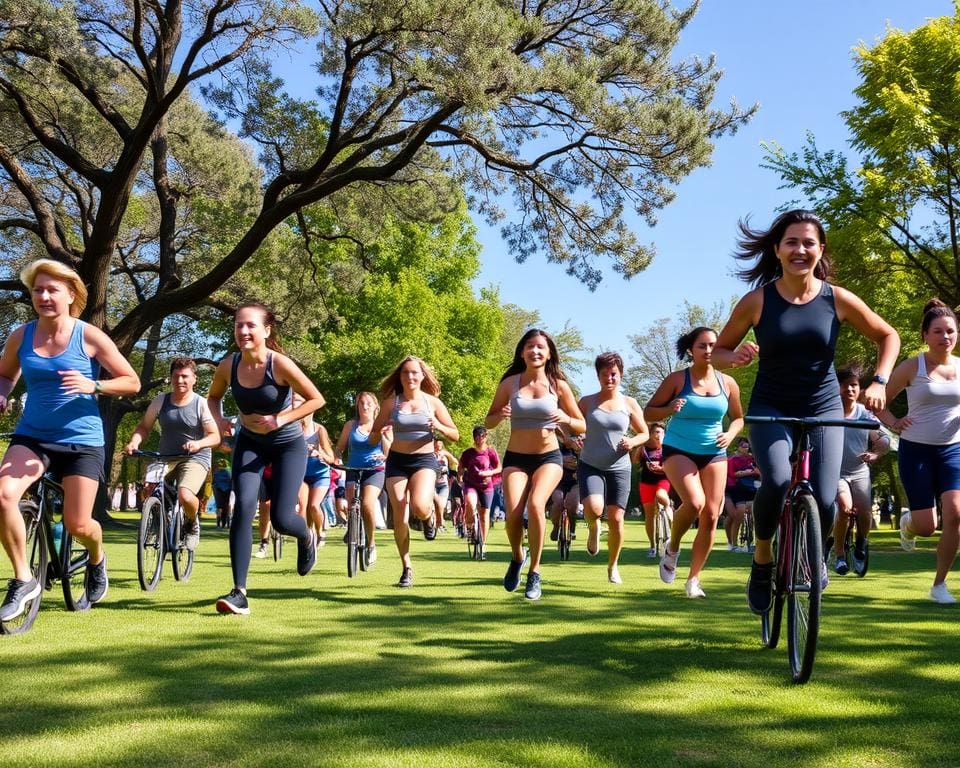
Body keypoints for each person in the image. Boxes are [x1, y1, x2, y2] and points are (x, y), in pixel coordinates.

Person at [713, 209, 899, 614]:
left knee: (829, 498)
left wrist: (881, 381)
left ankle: (816, 551)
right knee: (777, 481)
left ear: (821, 249)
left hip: (823, 405)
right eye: (791, 242)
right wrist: (736, 355)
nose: (800, 250)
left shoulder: (837, 299)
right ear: (778, 250)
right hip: (772, 406)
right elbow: (718, 354)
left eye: (808, 243)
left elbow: (888, 335)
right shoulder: (758, 300)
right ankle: (763, 558)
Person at [0, 259, 140, 621]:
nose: (44, 296)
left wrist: (95, 384)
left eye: (52, 290)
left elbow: (132, 381)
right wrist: (1, 393)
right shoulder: (22, 335)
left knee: (79, 525)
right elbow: (5, 375)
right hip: (33, 435)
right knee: (3, 496)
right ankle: (23, 578)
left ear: (71, 295)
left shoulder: (88, 336)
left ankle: (96, 558)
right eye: (37, 290)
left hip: (81, 440)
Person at [207, 302, 325, 615]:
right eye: (238, 326)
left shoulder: (280, 364)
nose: (243, 331)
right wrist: (219, 422)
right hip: (249, 443)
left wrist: (282, 419)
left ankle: (306, 536)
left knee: (282, 519)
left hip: (287, 445)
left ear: (266, 330)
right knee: (243, 507)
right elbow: (213, 397)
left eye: (250, 325)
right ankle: (239, 592)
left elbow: (316, 399)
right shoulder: (228, 365)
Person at [485, 328, 585, 601]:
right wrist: (500, 414)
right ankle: (518, 556)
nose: (535, 351)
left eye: (541, 347)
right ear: (522, 352)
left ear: (549, 352)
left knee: (536, 504)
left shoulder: (558, 386)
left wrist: (565, 417)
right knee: (514, 514)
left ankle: (535, 572)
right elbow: (488, 420)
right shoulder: (510, 384)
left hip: (548, 457)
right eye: (530, 346)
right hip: (516, 458)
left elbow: (581, 424)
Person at [644, 327, 745, 598]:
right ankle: (673, 547)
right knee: (695, 502)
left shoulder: (728, 383)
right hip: (678, 448)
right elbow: (648, 411)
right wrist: (669, 409)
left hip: (714, 451)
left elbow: (738, 418)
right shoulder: (678, 379)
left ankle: (693, 579)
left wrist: (731, 433)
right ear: (692, 350)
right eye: (702, 346)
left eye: (713, 345)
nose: (709, 350)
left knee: (712, 515)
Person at [879, 299, 960, 603]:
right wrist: (894, 422)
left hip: (953, 450)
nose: (945, 337)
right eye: (938, 331)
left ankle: (939, 585)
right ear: (925, 335)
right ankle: (909, 524)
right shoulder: (913, 366)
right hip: (917, 451)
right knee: (928, 527)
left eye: (950, 331)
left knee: (955, 515)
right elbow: (877, 401)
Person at [370, 356, 459, 588]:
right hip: (397, 461)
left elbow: (455, 435)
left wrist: (438, 426)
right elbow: (372, 434)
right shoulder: (391, 403)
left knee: (419, 507)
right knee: (399, 507)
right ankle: (406, 567)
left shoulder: (433, 403)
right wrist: (382, 430)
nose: (410, 376)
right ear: (400, 377)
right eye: (405, 373)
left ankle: (429, 518)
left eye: (414, 373)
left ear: (422, 376)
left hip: (424, 460)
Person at [124, 357, 220, 550]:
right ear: (171, 378)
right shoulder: (161, 401)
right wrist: (134, 442)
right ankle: (157, 521)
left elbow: (215, 436)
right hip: (166, 457)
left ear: (194, 378)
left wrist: (198, 444)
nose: (180, 381)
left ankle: (191, 524)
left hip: (195, 458)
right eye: (176, 376)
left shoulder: (200, 403)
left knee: (185, 494)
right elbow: (144, 427)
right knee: (150, 487)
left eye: (185, 376)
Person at [577, 351, 649, 584]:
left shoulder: (629, 403)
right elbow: (573, 426)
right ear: (598, 376)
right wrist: (574, 438)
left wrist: (633, 441)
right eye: (605, 374)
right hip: (591, 464)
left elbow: (645, 433)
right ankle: (593, 527)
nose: (610, 378)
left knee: (617, 519)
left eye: (614, 374)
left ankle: (613, 566)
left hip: (619, 467)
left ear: (621, 375)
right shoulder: (587, 402)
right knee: (595, 509)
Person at [831, 364, 889, 575]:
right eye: (845, 386)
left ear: (859, 389)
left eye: (854, 385)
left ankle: (861, 543)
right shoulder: (830, 411)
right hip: (836, 472)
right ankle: (839, 556)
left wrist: (875, 453)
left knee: (864, 513)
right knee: (845, 509)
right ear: (837, 388)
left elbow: (882, 438)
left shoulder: (864, 413)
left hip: (859, 472)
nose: (850, 390)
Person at [335, 391, 390, 566]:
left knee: (367, 504)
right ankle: (352, 525)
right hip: (353, 468)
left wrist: (384, 454)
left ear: (375, 407)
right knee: (351, 501)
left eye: (368, 403)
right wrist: (337, 457)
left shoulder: (382, 426)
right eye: (361, 403)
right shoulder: (350, 426)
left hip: (375, 470)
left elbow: (389, 450)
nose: (364, 406)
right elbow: (339, 448)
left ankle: (371, 543)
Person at [296, 393, 336, 548]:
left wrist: (319, 453)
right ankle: (308, 536)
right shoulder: (294, 429)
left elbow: (331, 458)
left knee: (314, 506)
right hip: (301, 474)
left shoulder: (319, 430)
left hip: (320, 474)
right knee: (303, 507)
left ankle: (320, 533)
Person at [632, 422, 673, 557]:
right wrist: (640, 445)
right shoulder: (644, 449)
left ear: (664, 435)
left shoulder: (669, 448)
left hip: (663, 479)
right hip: (646, 482)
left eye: (660, 432)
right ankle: (652, 545)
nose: (657, 435)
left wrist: (662, 468)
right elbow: (634, 461)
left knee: (661, 495)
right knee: (650, 515)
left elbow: (675, 466)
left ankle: (669, 510)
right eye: (654, 432)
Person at [459, 426, 500, 551]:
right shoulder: (468, 453)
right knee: (470, 504)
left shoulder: (491, 452)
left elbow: (499, 468)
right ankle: (471, 529)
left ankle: (483, 541)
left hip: (486, 486)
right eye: (477, 436)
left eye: (482, 436)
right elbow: (461, 467)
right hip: (471, 484)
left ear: (486, 437)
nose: (479, 439)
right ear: (474, 437)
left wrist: (489, 473)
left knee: (484, 513)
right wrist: (460, 479)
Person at [725, 437, 759, 552]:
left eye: (747, 446)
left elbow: (760, 472)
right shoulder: (732, 459)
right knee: (736, 513)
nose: (746, 448)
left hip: (751, 487)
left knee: (755, 511)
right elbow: (731, 474)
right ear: (738, 447)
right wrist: (743, 473)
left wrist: (755, 472)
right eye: (743, 446)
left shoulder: (753, 459)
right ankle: (733, 543)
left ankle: (755, 541)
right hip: (735, 488)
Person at [549, 429, 580, 544]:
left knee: (573, 505)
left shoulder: (580, 446)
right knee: (558, 502)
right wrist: (562, 460)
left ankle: (572, 528)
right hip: (558, 481)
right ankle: (556, 526)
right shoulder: (555, 446)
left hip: (575, 482)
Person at [432, 437, 459, 533]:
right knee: (433, 507)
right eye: (436, 444)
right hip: (432, 485)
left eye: (440, 444)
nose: (438, 446)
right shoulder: (429, 455)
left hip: (444, 484)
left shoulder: (445, 455)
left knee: (441, 505)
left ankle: (439, 524)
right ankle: (435, 525)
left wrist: (447, 454)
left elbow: (455, 463)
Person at [212, 458, 233, 529]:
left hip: (219, 490)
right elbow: (231, 481)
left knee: (219, 507)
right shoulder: (229, 472)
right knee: (227, 506)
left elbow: (214, 483)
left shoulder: (216, 473)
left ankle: (219, 524)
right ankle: (227, 523)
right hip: (227, 491)